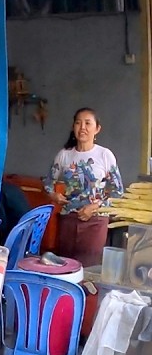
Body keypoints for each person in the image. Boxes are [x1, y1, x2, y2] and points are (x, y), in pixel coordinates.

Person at [47, 108, 123, 266]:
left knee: (89, 268)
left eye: (88, 123)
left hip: (95, 221)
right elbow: (48, 183)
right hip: (68, 220)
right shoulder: (64, 155)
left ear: (97, 129)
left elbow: (118, 192)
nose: (82, 127)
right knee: (65, 267)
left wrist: (95, 207)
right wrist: (53, 195)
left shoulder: (104, 155)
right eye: (78, 123)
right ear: (73, 127)